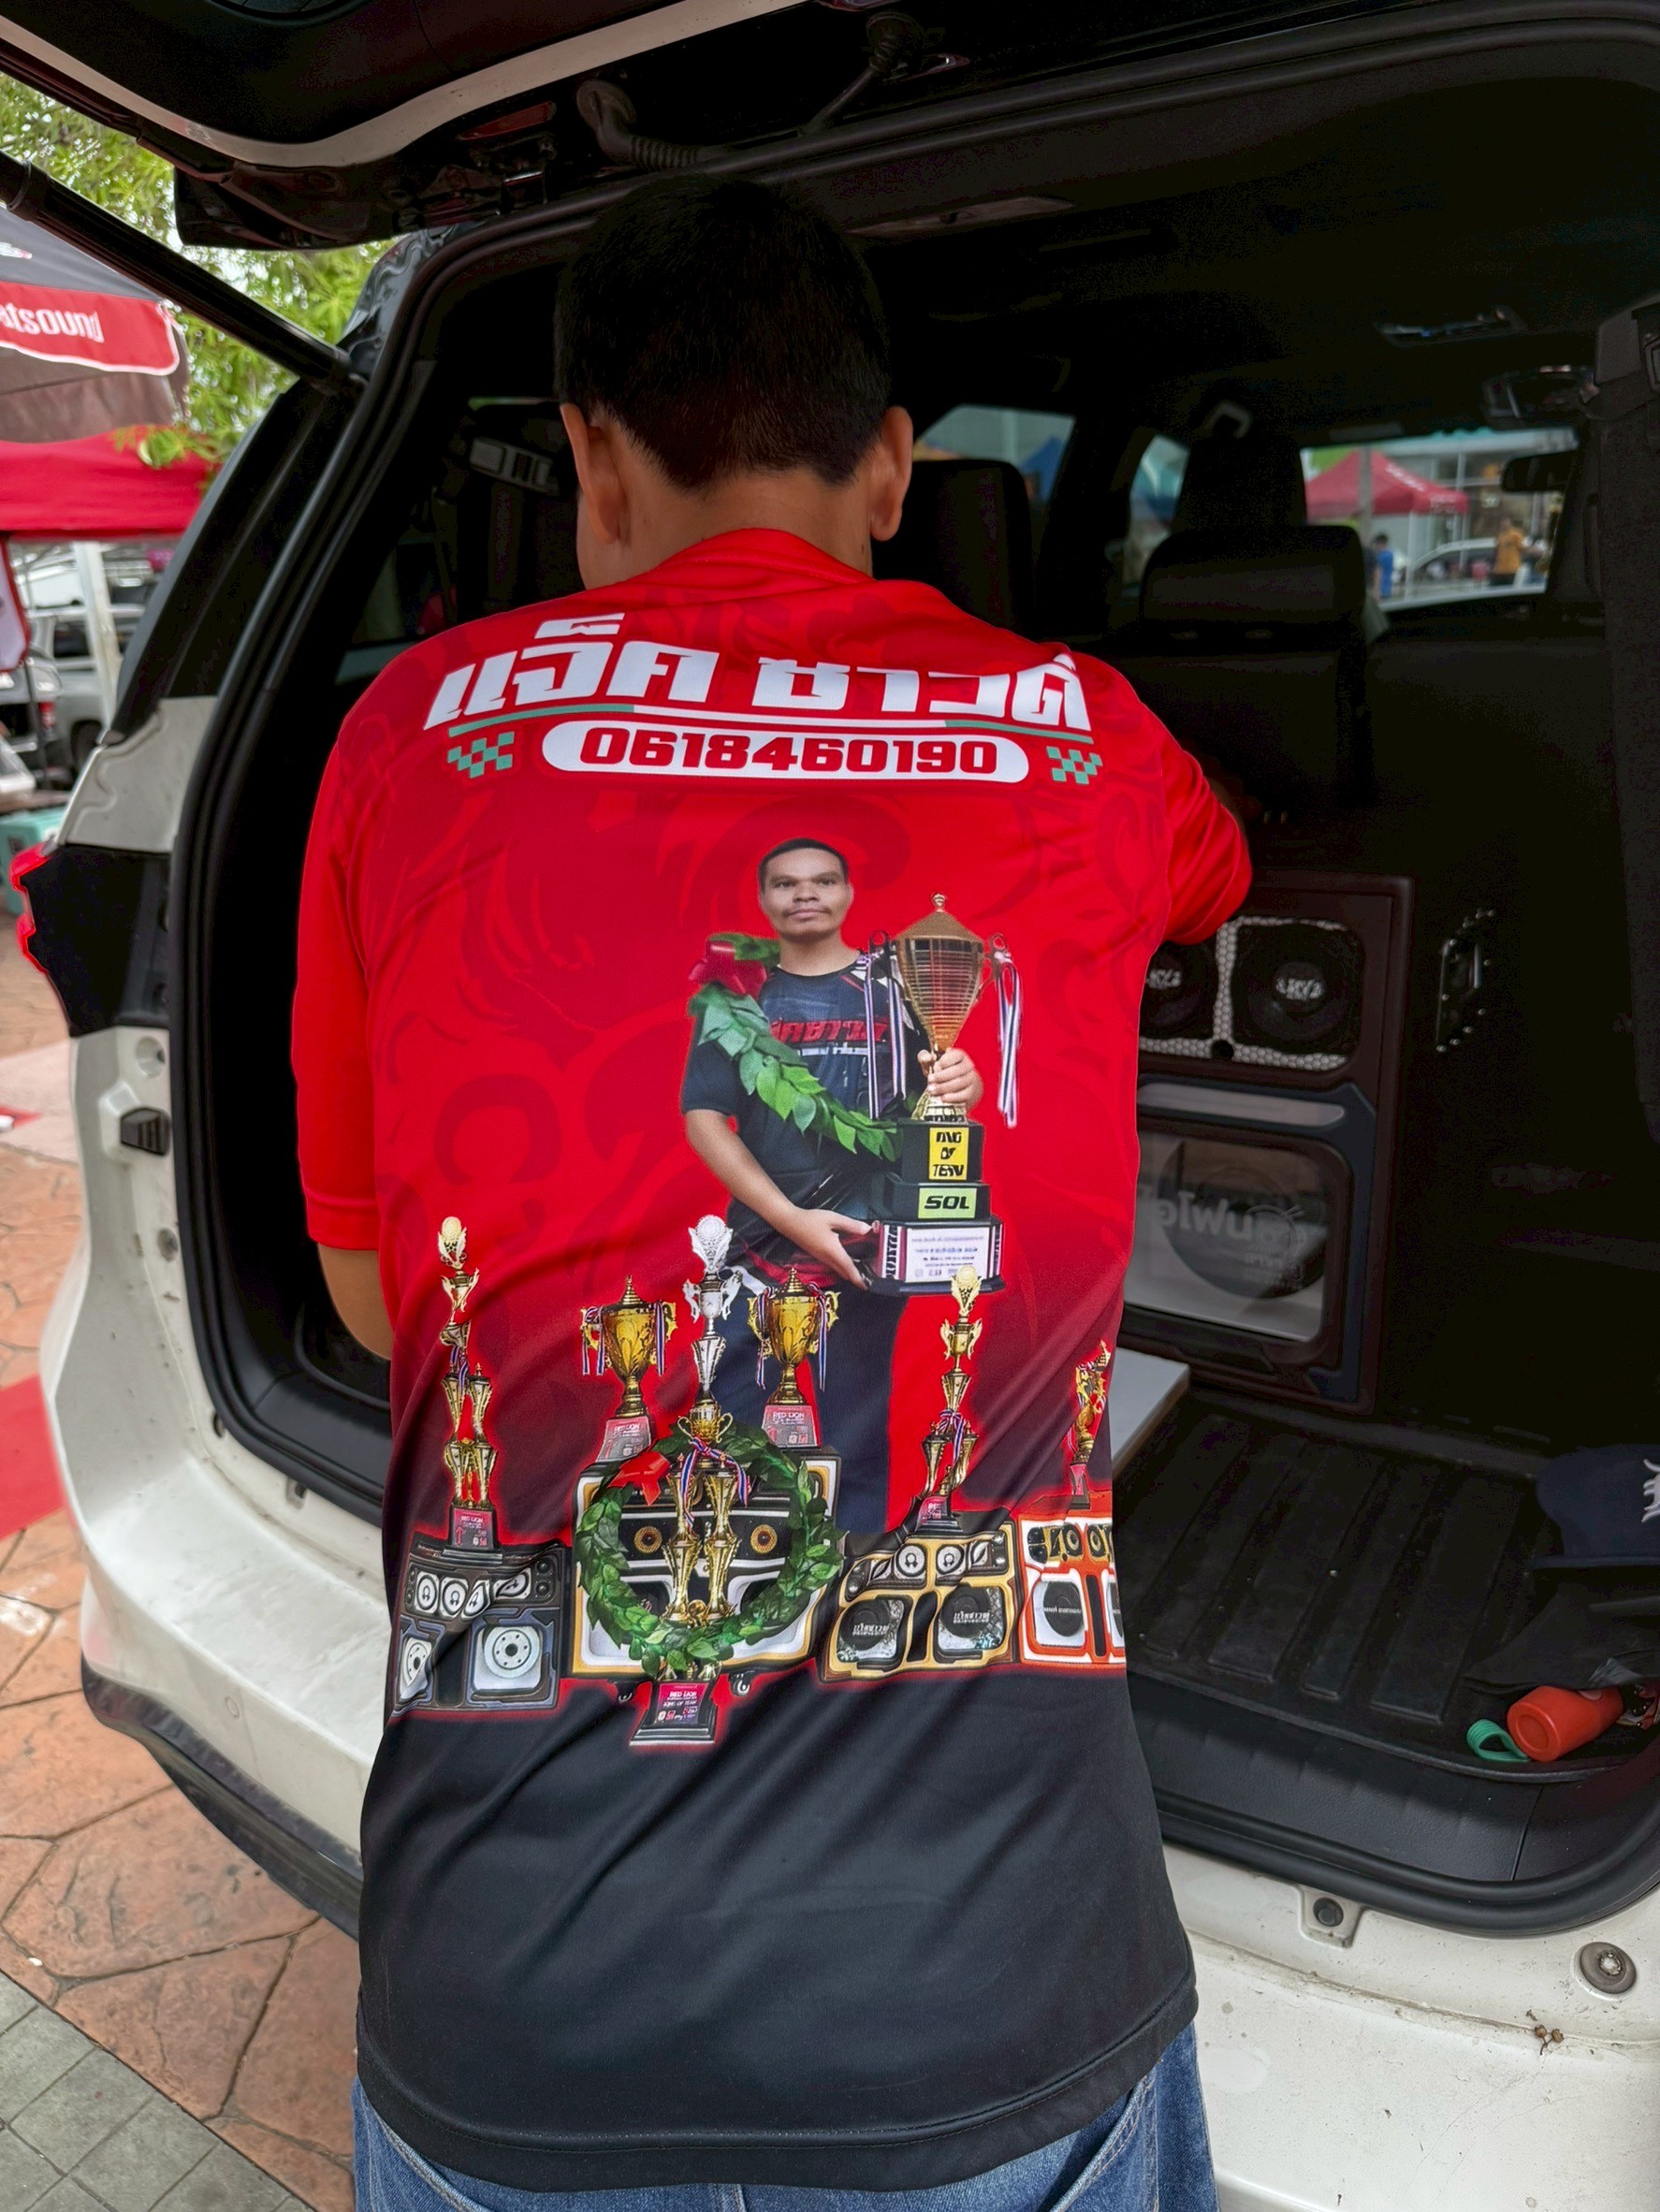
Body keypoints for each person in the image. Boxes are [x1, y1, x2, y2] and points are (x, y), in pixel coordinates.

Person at [295, 175, 1249, 2212]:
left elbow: (385, 1310)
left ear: (590, 459)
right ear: (890, 464)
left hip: (511, 2001)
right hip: (992, 1998)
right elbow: (1209, 880)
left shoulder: (400, 737)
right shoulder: (1083, 732)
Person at [681, 836, 981, 1529]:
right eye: (786, 883)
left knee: (856, 1417)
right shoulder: (737, 997)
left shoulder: (897, 990)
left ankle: (852, 1563)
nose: (805, 894)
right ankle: (734, 1557)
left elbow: (930, 1106)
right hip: (762, 1238)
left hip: (866, 1237)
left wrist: (959, 1084)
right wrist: (791, 1220)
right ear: (764, 899)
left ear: (847, 893)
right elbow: (703, 1119)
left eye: (821, 880)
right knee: (734, 1413)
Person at [1491, 514, 1525, 586]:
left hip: (1511, 569)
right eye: (1502, 521)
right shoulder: (1500, 536)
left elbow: (1522, 549)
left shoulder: (1516, 534)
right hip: (1499, 570)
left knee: (1509, 589)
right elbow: (1496, 551)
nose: (1504, 523)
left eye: (1506, 521)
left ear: (1510, 522)